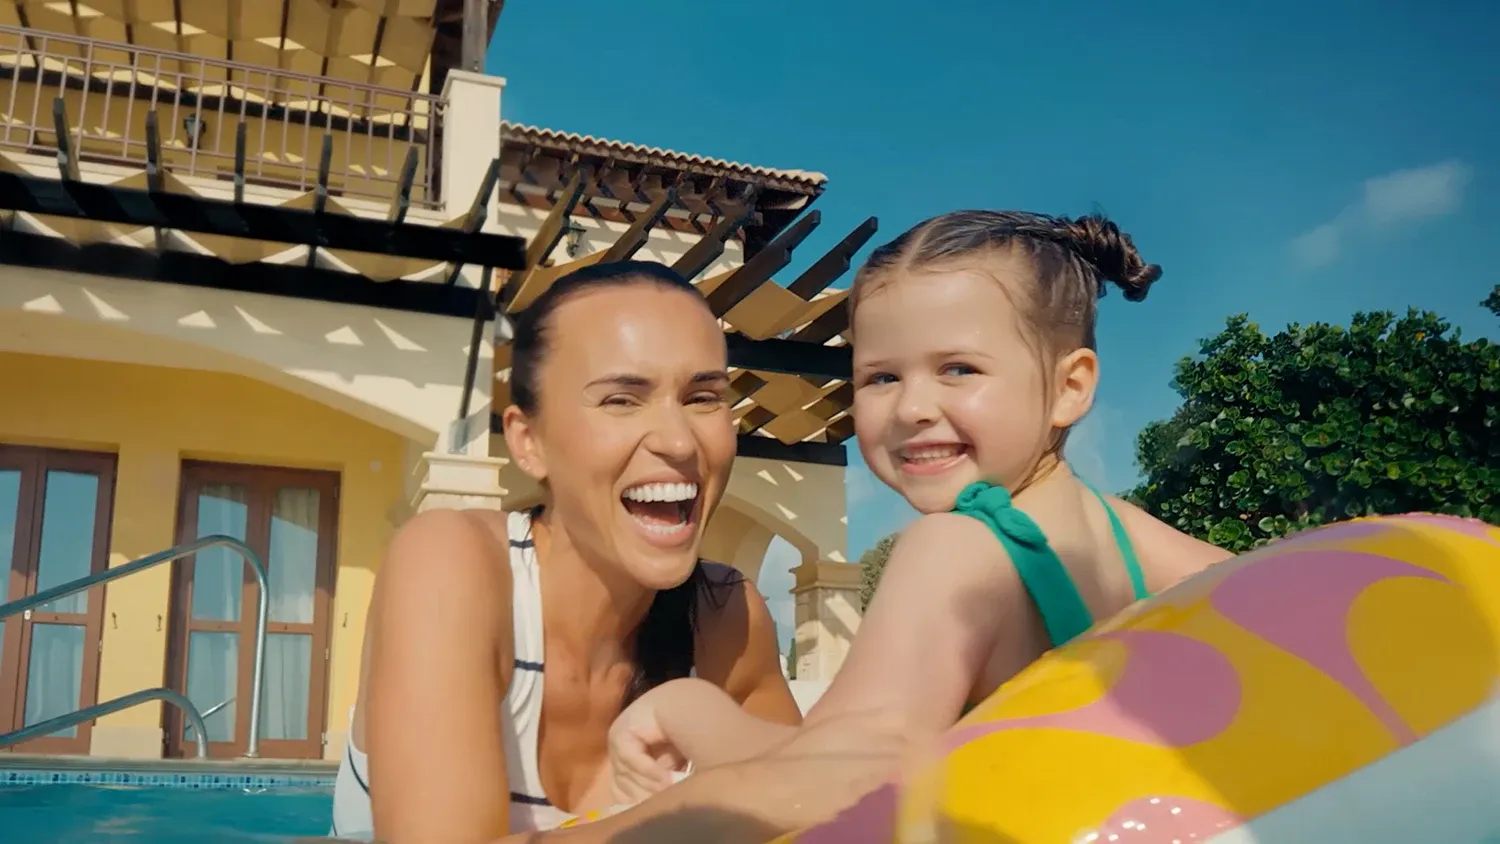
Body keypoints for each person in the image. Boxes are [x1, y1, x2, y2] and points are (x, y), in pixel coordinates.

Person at [598, 210, 1235, 828]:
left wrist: (684, 720)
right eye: (880, 378)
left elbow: (834, 782)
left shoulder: (955, 547)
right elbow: (1275, 590)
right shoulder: (1127, 534)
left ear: (1070, 386)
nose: (913, 407)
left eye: (958, 369)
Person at [327, 261, 801, 843]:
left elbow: (827, 812)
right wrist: (711, 807)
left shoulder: (726, 617)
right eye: (622, 400)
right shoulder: (455, 566)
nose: (680, 442)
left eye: (703, 397)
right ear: (529, 442)